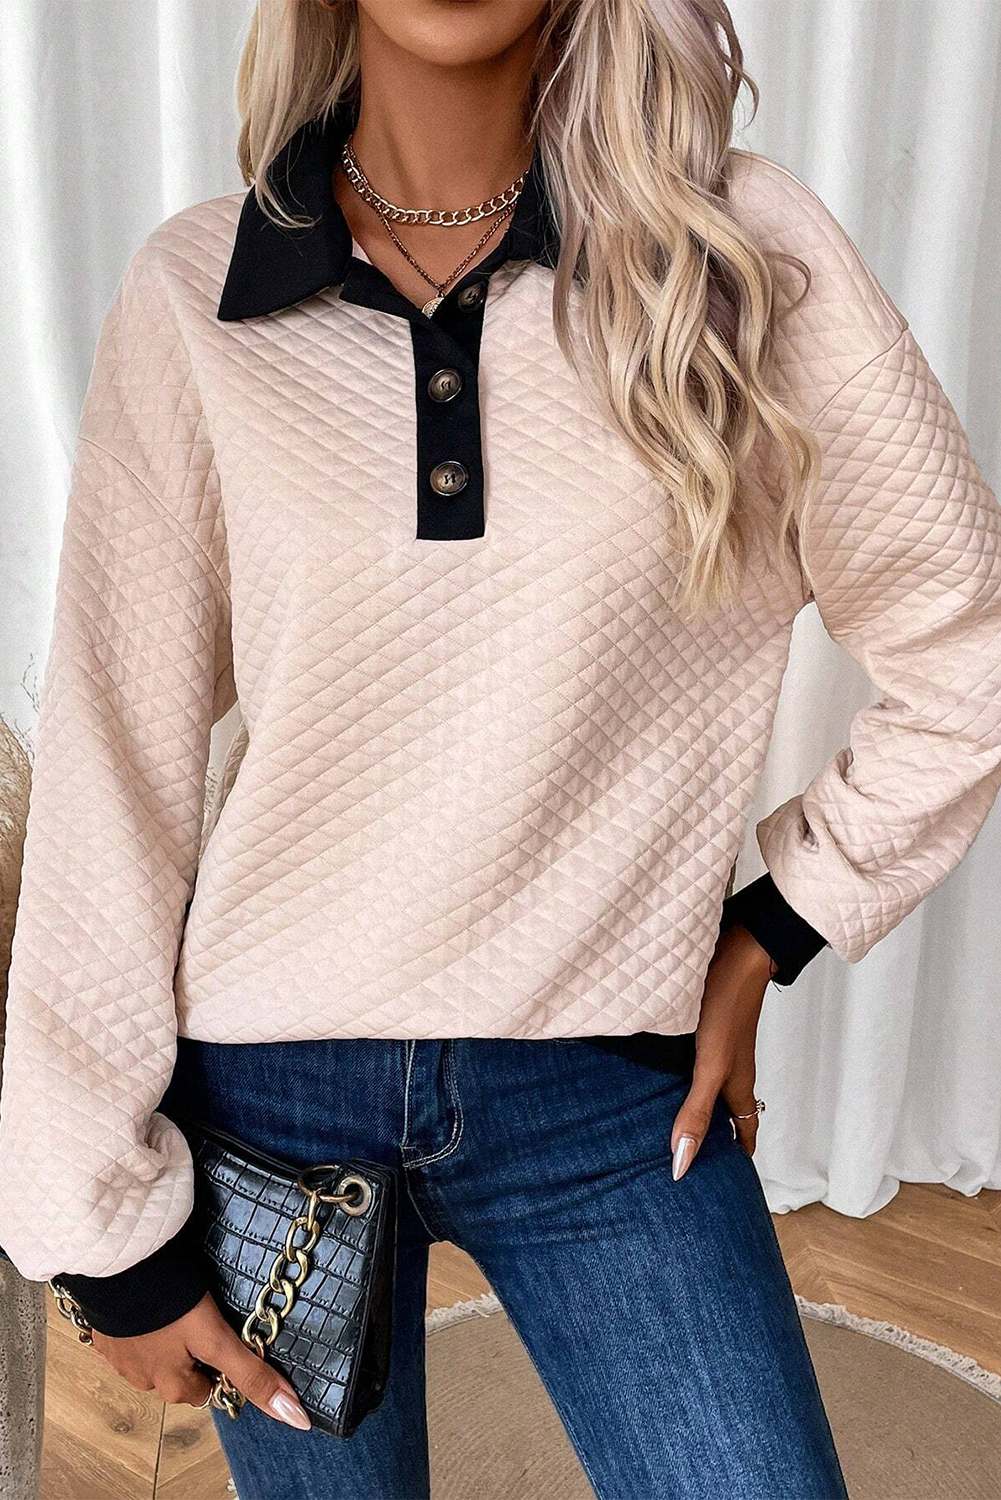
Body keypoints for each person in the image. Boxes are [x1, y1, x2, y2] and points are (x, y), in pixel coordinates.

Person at [2, 1, 1000, 1496]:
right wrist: (99, 1225)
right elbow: (115, 759)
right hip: (269, 1101)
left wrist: (770, 931)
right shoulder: (197, 292)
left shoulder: (738, 259)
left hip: (607, 1086)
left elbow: (969, 645)